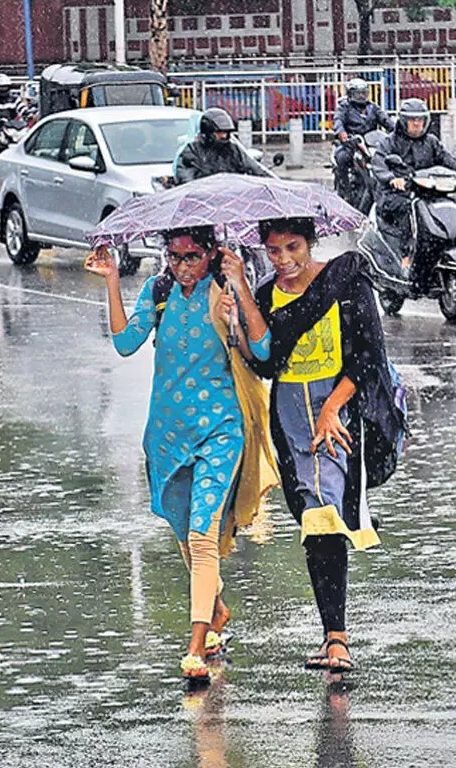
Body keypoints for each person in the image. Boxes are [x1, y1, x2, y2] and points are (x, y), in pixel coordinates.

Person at [86, 227, 276, 684]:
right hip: (168, 435)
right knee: (185, 534)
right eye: (174, 256)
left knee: (203, 532)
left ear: (211, 253)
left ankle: (196, 644)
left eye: (192, 256)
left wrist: (239, 306)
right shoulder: (158, 290)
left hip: (220, 431)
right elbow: (125, 342)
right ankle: (216, 609)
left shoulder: (225, 289)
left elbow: (264, 351)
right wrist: (112, 279)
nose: (183, 266)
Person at [231, 216, 405, 675]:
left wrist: (332, 409)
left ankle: (337, 637)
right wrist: (241, 304)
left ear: (310, 242)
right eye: (273, 251)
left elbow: (369, 356)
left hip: (340, 415)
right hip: (290, 420)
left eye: (293, 247)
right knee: (312, 519)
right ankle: (332, 634)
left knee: (326, 514)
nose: (285, 260)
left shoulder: (345, 279)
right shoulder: (266, 296)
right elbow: (265, 364)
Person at [369, 98, 456, 270]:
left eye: (420, 120)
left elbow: (447, 160)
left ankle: (450, 244)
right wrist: (392, 179)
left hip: (426, 190)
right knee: (408, 208)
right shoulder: (390, 142)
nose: (417, 124)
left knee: (452, 205)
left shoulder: (431, 141)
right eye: (412, 120)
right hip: (396, 193)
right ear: (404, 121)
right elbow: (379, 163)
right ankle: (405, 253)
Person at [331, 79, 393, 199]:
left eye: (363, 93)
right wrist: (342, 132)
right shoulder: (344, 107)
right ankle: (345, 191)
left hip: (370, 143)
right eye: (358, 93)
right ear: (350, 94)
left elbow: (386, 120)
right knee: (342, 158)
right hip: (351, 142)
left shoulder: (373, 107)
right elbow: (338, 120)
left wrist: (397, 131)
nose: (361, 96)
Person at [175, 108, 269, 185]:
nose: (224, 136)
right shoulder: (193, 151)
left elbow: (254, 168)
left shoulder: (234, 150)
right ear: (208, 132)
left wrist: (272, 182)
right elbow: (186, 179)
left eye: (226, 133)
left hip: (232, 198)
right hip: (204, 200)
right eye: (219, 133)